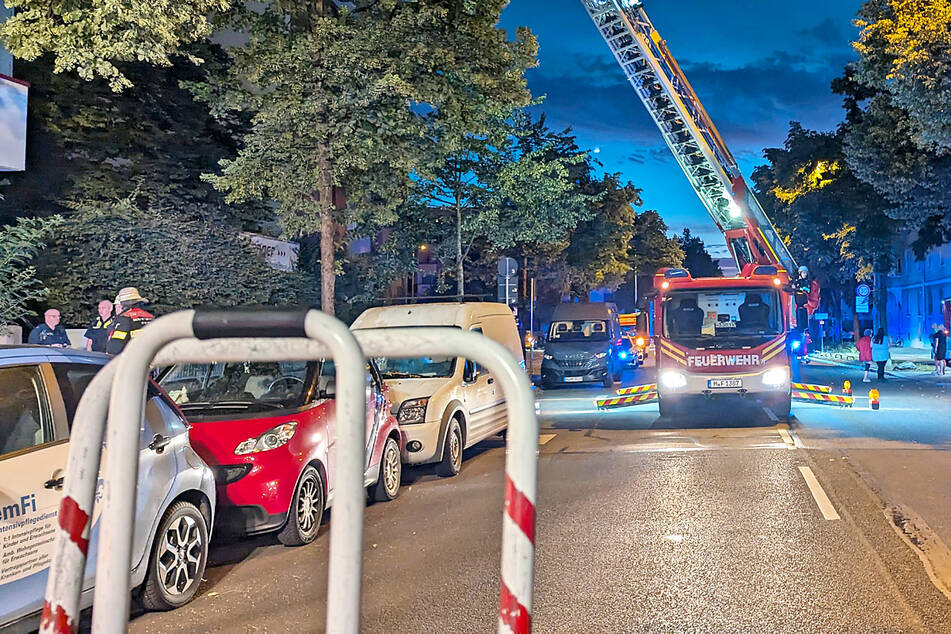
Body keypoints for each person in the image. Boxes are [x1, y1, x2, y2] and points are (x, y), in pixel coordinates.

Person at [106, 287, 154, 355]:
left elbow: (116, 346)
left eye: (118, 306)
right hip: (149, 357)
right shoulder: (150, 317)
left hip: (132, 358)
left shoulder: (125, 318)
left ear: (122, 305)